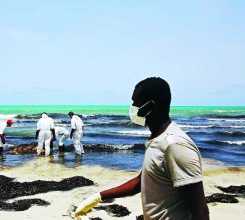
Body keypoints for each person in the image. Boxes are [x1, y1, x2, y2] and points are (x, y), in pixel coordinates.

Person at [73, 77, 209, 220]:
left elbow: (200, 211)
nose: (132, 108)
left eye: (135, 103)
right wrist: (98, 197)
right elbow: (140, 182)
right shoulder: (157, 140)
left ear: (151, 106)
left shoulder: (175, 146)